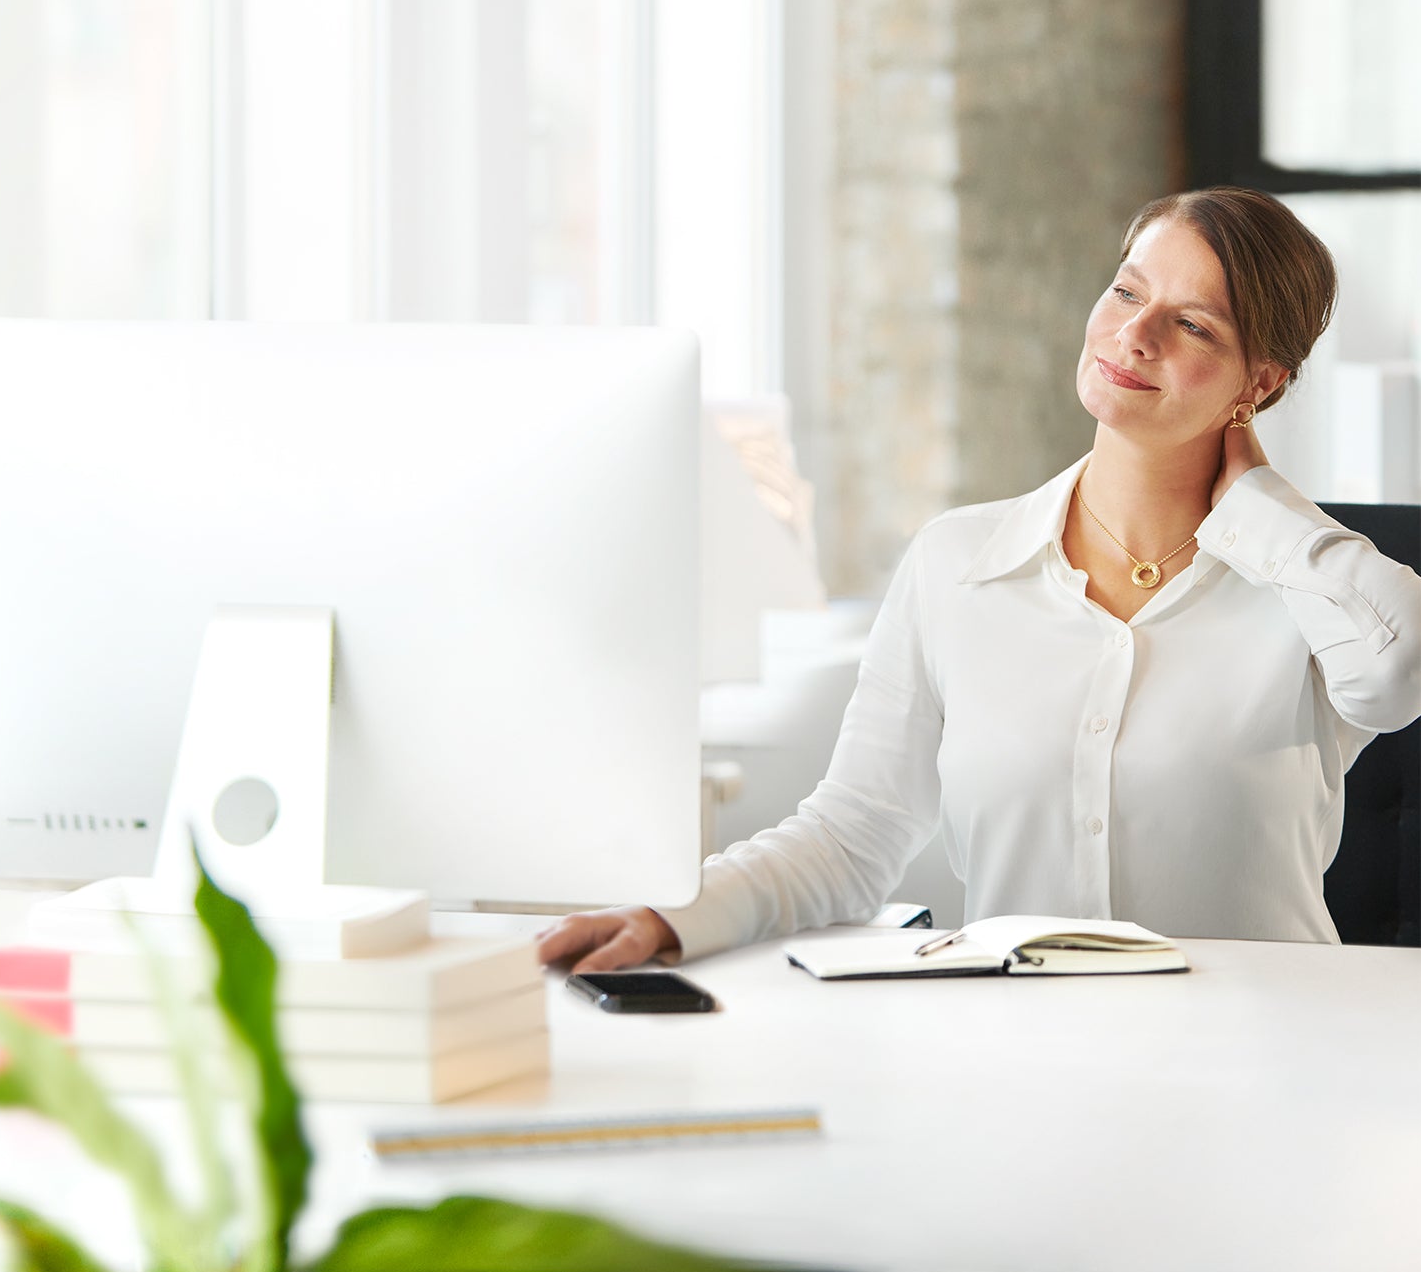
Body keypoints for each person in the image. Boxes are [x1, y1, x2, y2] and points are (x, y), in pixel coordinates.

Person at [538, 186, 1421, 973]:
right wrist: (673, 916)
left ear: (1259, 382)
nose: (1134, 335)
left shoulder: (1314, 593)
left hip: (1267, 1056)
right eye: (1127, 292)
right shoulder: (956, 562)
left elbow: (1397, 677)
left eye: (1193, 325)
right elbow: (854, 832)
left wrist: (1260, 504)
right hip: (1020, 1055)